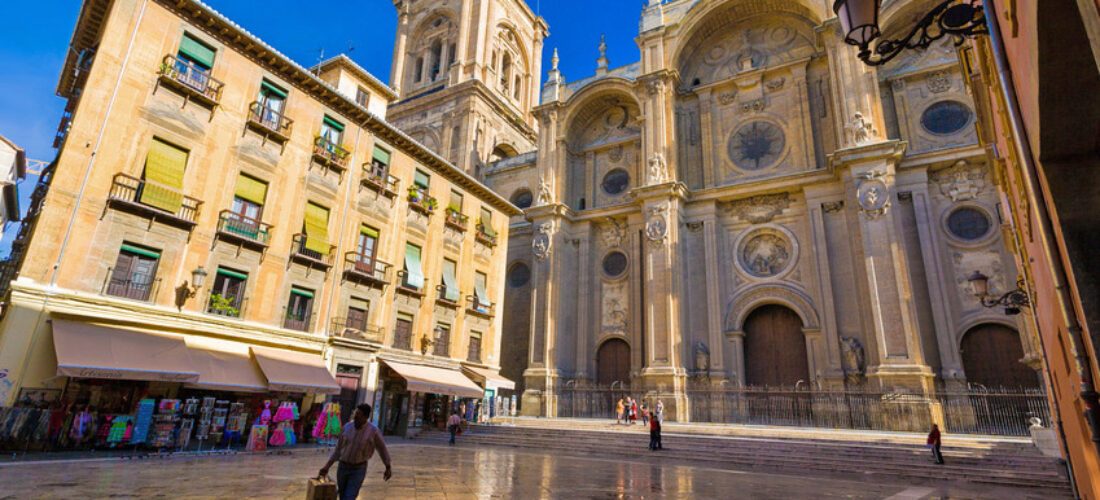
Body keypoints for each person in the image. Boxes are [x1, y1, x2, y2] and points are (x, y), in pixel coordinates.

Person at [319, 403, 393, 500]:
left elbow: (382, 449)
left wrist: (388, 467)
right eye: (355, 413)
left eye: (359, 414)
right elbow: (338, 449)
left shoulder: (373, 431)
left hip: (358, 469)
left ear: (366, 417)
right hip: (343, 467)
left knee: (350, 496)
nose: (356, 416)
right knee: (342, 495)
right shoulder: (347, 427)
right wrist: (327, 466)